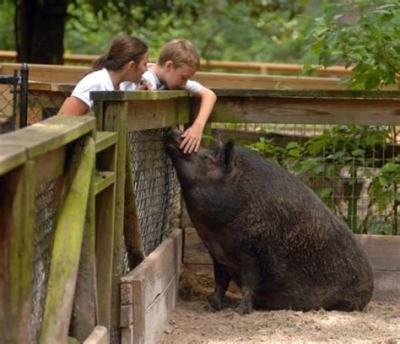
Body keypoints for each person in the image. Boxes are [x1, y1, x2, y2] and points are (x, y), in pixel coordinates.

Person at [123, 39, 217, 154]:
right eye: (184, 77)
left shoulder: (173, 79)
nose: (184, 83)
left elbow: (209, 95)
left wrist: (198, 126)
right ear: (169, 66)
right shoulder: (145, 78)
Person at [59, 35, 149, 116]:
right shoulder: (95, 83)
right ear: (132, 66)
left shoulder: (123, 85)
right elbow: (66, 121)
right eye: (145, 64)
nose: (146, 69)